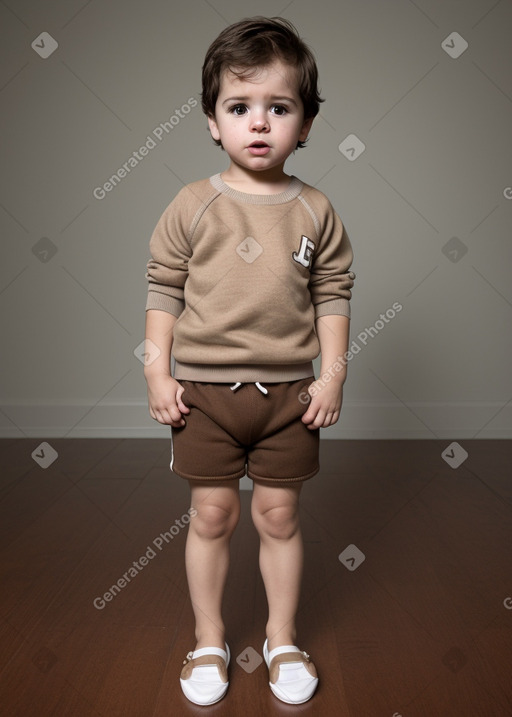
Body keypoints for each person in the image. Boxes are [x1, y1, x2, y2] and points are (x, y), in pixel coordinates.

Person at [144, 16, 355, 706]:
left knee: (279, 517)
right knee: (211, 516)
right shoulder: (193, 205)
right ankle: (208, 638)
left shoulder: (317, 210)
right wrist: (157, 369)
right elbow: (163, 288)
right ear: (212, 121)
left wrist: (332, 373)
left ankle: (282, 636)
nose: (258, 123)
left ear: (306, 125)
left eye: (279, 107)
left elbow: (332, 292)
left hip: (290, 396)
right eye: (240, 107)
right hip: (205, 394)